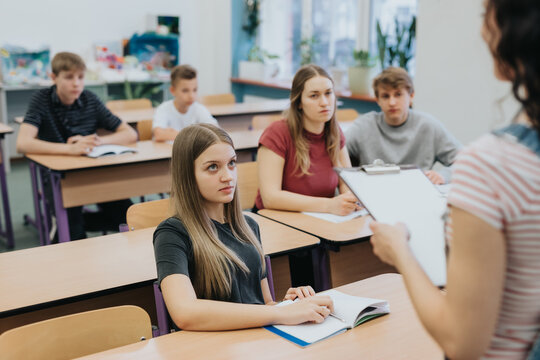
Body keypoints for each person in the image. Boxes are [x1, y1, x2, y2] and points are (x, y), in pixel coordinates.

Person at [369, 1, 540, 358]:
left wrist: (400, 250)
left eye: (486, 13)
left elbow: (462, 343)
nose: (481, 26)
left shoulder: (491, 164)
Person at [153, 124, 333, 331]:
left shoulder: (248, 226)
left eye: (231, 163)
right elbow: (185, 313)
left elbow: (265, 304)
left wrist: (289, 305)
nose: (228, 176)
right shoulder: (172, 234)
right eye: (213, 167)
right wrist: (279, 312)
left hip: (256, 342)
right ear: (187, 174)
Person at [16, 52, 137, 240]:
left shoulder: (90, 99)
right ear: (54, 78)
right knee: (72, 234)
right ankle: (70, 225)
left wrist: (96, 141)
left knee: (129, 218)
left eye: (81, 77)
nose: (76, 83)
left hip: (95, 172)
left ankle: (80, 221)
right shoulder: (41, 99)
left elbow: (130, 133)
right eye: (69, 77)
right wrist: (69, 149)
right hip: (59, 177)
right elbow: (22, 143)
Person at [255, 64, 360, 215]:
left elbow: (347, 184)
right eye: (314, 96)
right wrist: (328, 205)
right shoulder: (277, 134)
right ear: (298, 103)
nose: (324, 102)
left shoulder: (335, 133)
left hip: (319, 220)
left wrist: (351, 200)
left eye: (328, 93)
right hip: (275, 221)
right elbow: (270, 198)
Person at [345, 67, 461, 184]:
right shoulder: (364, 126)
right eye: (385, 96)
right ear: (378, 100)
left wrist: (443, 176)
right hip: (374, 191)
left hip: (418, 192)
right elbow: (334, 153)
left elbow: (464, 161)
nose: (392, 102)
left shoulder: (428, 125)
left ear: (411, 96)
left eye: (398, 94)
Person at [153, 64, 218, 142]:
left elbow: (215, 131)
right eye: (185, 91)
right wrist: (197, 133)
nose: (191, 96)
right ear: (173, 90)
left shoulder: (199, 109)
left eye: (195, 90)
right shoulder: (163, 109)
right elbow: (159, 134)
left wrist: (172, 133)